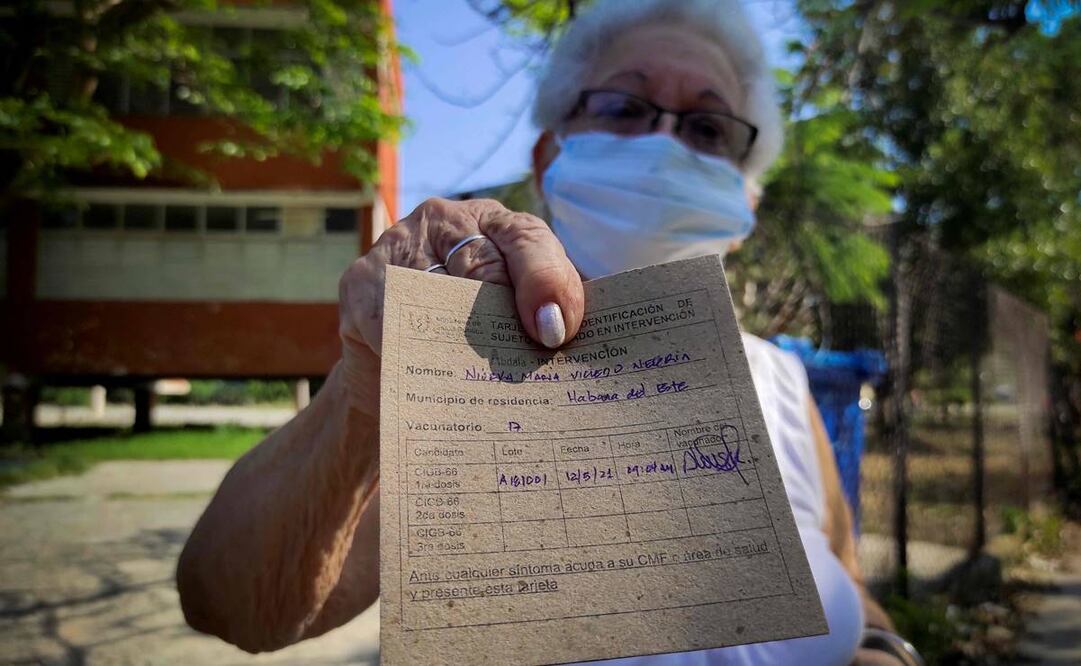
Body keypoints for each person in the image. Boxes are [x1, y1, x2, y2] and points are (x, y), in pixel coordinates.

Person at [176, 1, 920, 664]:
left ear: (745, 201)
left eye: (706, 125)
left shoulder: (781, 383)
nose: (664, 143)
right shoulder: (456, 357)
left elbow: (846, 578)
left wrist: (883, 648)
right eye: (625, 106)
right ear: (548, 154)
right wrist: (363, 397)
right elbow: (234, 607)